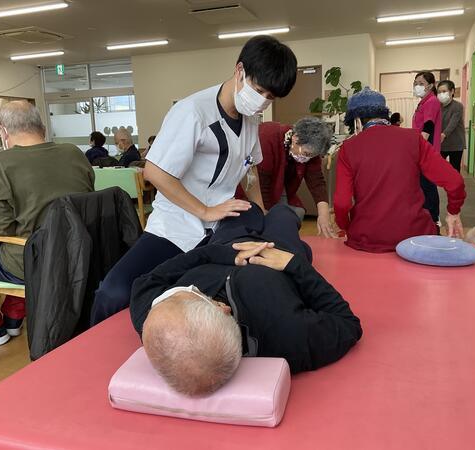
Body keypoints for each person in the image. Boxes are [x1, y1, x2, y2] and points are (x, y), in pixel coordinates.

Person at [91, 35, 298, 325]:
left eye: (271, 98)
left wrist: (262, 213)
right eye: (259, 90)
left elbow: (250, 169)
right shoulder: (193, 112)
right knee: (114, 291)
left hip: (221, 229)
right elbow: (155, 171)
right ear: (239, 71)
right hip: (176, 226)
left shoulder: (251, 120)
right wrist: (204, 210)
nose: (263, 102)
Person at [130, 204, 362, 396]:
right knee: (282, 213)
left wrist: (225, 252)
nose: (183, 288)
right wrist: (294, 264)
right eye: (193, 291)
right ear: (223, 309)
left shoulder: (151, 317)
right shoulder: (289, 335)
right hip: (279, 249)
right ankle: (292, 215)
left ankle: (258, 212)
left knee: (243, 208)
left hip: (227, 243)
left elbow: (147, 280)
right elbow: (348, 323)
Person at [0, 100, 94, 348]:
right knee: (21, 243)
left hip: (32, 258)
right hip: (78, 252)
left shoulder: (1, 162)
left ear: (4, 131)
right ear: (42, 127)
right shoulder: (74, 153)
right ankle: (14, 319)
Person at [334, 87, 466, 253]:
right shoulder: (413, 138)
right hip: (415, 236)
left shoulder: (349, 148)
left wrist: (347, 226)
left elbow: (341, 203)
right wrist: (453, 212)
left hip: (366, 238)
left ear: (357, 121)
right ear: (384, 114)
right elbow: (455, 181)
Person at [236, 117, 337, 237]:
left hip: (278, 186)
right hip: (251, 184)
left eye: (313, 156)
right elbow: (260, 184)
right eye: (306, 154)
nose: (307, 158)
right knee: (266, 222)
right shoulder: (268, 137)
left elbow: (317, 182)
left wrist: (323, 214)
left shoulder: (309, 148)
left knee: (295, 214)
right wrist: (264, 216)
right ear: (295, 138)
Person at [412, 71, 442, 226]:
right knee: (424, 185)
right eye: (415, 83)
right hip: (423, 149)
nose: (417, 86)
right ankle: (428, 217)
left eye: (421, 83)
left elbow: (428, 126)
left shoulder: (431, 101)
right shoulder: (424, 102)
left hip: (426, 150)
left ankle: (434, 218)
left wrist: (418, 147)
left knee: (428, 185)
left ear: (430, 85)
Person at [437, 80, 465, 172]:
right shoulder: (437, 107)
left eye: (444, 91)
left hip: (456, 144)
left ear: (452, 91)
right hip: (442, 144)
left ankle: (455, 186)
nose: (441, 94)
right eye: (439, 92)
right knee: (439, 168)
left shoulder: (458, 106)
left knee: (455, 170)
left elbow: (453, 123)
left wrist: (443, 135)